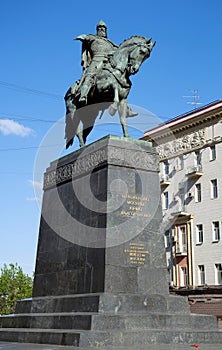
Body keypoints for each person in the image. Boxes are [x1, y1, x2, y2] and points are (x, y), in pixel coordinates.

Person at [75, 20, 118, 104]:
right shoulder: (93, 38)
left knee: (119, 77)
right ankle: (83, 95)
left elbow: (118, 50)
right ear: (97, 29)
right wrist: (83, 37)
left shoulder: (110, 43)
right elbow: (85, 37)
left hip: (108, 62)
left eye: (104, 28)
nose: (102, 30)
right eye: (100, 28)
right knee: (89, 76)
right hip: (96, 60)